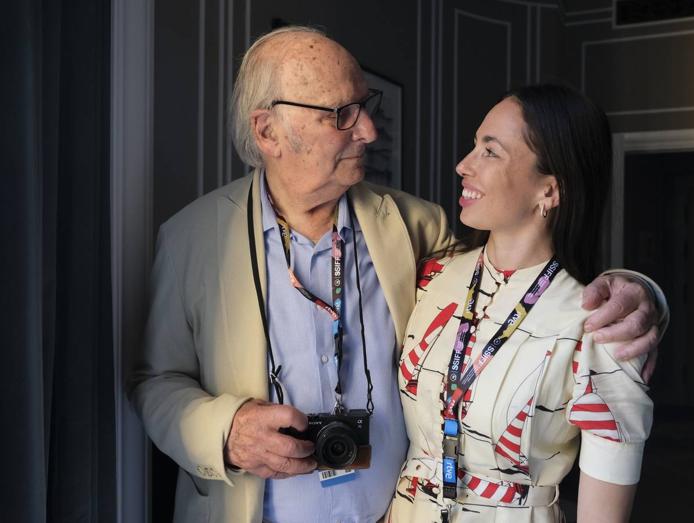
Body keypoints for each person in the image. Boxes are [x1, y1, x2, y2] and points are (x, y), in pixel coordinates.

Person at [129, 27, 665, 523]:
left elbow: (521, 280)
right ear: (269, 132)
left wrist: (637, 293)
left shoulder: (417, 228)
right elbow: (154, 382)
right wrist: (226, 431)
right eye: (341, 114)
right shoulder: (190, 239)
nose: (367, 129)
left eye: (365, 106)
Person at [387, 84, 652, 523]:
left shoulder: (602, 324)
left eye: (490, 152)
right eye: (474, 146)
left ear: (550, 189)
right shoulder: (430, 278)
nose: (462, 165)